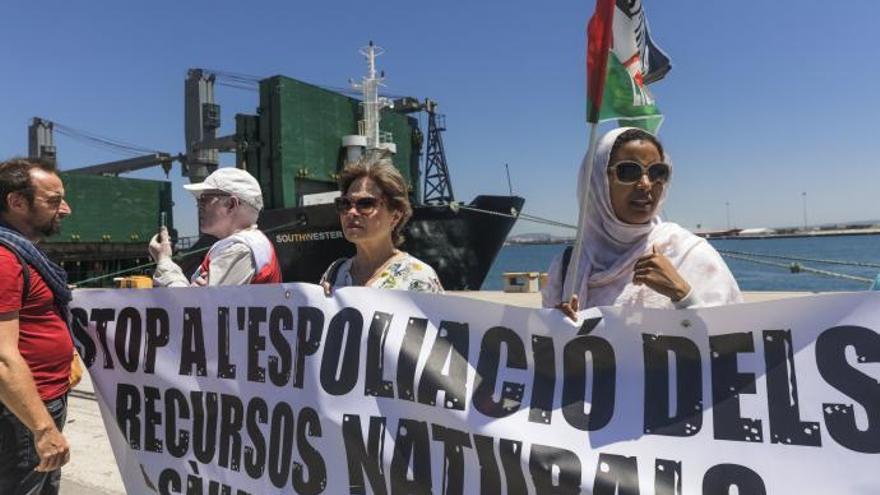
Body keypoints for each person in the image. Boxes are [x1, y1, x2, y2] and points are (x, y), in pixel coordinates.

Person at [542, 127, 742, 319]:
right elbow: (547, 347)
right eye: (628, 172)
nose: (646, 184)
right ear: (597, 181)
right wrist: (558, 326)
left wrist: (683, 294)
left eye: (657, 172)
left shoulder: (690, 254)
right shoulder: (568, 266)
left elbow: (734, 341)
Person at [0, 157, 74, 494]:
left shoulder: (22, 253)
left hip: (38, 404)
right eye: (54, 200)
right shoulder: (5, 260)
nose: (65, 209)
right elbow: (2, 360)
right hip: (21, 415)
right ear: (16, 202)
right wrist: (43, 429)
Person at [320, 154, 443, 293]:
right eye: (345, 204)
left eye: (366, 204)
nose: (351, 212)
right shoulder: (335, 272)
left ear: (395, 216)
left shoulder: (418, 279)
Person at [149, 167, 281, 287]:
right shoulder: (248, 245)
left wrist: (164, 261)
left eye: (205, 198)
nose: (198, 205)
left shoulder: (239, 250)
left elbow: (195, 308)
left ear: (231, 204)